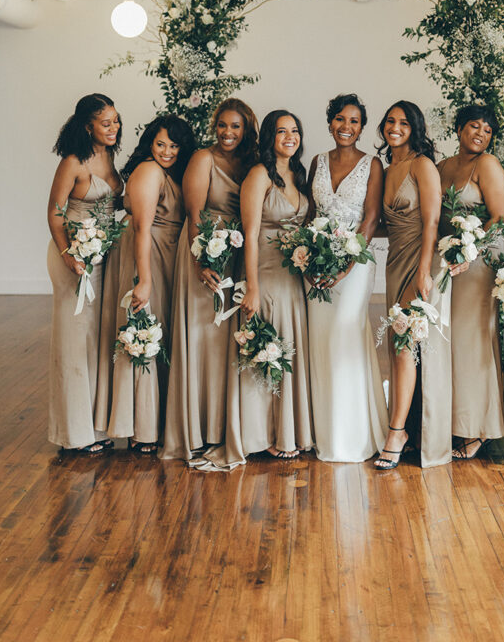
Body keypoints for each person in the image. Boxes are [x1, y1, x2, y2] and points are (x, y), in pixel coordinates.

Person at [190, 110, 314, 469]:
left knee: (286, 348)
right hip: (264, 271)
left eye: (295, 130)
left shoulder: (297, 175)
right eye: (281, 131)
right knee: (262, 347)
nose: (289, 137)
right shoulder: (259, 176)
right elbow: (251, 233)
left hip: (293, 274)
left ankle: (285, 432)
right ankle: (258, 434)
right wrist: (253, 287)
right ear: (268, 137)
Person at [161, 99, 259, 463]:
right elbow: (193, 212)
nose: (227, 133)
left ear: (246, 128)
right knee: (201, 340)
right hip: (202, 252)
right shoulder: (203, 159)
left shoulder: (251, 163)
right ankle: (192, 431)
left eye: (235, 126)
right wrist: (201, 260)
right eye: (222, 125)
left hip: (235, 255)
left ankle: (221, 428)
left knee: (225, 346)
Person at [95, 114, 195, 453]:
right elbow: (141, 227)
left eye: (174, 145)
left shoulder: (168, 172)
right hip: (147, 254)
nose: (167, 151)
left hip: (165, 255)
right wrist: (145, 280)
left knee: (159, 333)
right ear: (150, 144)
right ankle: (140, 429)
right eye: (160, 144)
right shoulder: (150, 171)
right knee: (144, 332)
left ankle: (153, 422)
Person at [307, 93, 388, 462]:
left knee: (345, 333)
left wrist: (347, 263)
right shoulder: (316, 162)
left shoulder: (372, 165)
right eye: (340, 119)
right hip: (317, 262)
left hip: (355, 263)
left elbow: (370, 219)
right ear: (329, 122)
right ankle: (323, 431)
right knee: (321, 338)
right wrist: (309, 257)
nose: (346, 127)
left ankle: (354, 436)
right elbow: (311, 213)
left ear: (362, 127)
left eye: (354, 121)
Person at [374, 101, 451, 470]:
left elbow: (433, 222)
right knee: (396, 345)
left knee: (405, 344)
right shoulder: (389, 168)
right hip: (394, 261)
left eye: (404, 122)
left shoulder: (423, 166)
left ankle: (396, 432)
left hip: (422, 260)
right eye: (390, 121)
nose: (395, 127)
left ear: (415, 128)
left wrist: (424, 271)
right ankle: (407, 426)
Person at [47, 93, 122, 454]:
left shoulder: (109, 156)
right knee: (75, 343)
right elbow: (55, 214)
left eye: (116, 121)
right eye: (106, 122)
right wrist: (69, 256)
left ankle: (96, 426)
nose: (113, 128)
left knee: (97, 340)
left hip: (104, 256)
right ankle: (73, 435)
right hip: (74, 257)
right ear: (87, 125)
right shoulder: (73, 162)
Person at [438, 104, 504, 460]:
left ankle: (478, 428)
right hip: (450, 261)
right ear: (459, 128)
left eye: (487, 129)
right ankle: (452, 421)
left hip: (481, 261)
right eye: (473, 126)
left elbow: (500, 217)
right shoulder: (444, 166)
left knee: (473, 340)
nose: (480, 133)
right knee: (451, 342)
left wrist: (470, 248)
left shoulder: (488, 165)